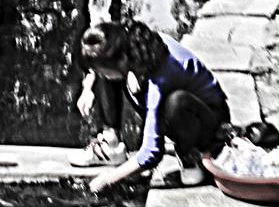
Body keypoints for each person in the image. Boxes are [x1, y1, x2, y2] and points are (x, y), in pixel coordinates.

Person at [71, 18, 230, 193]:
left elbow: (152, 153)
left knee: (176, 103)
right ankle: (112, 145)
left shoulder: (160, 79)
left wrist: (108, 180)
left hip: (209, 119)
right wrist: (88, 88)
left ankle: (190, 153)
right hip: (165, 95)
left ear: (123, 59)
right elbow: (101, 54)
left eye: (101, 71)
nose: (100, 75)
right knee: (111, 76)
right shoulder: (130, 43)